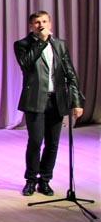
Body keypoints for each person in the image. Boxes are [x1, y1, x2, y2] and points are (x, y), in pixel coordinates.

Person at [14, 11, 84, 197]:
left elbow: (70, 74)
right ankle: (30, 180)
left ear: (50, 24)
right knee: (36, 141)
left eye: (44, 21)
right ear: (31, 26)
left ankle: (45, 181)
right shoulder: (22, 44)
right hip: (35, 100)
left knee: (52, 143)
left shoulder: (59, 45)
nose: (41, 25)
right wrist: (41, 42)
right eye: (37, 22)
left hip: (56, 100)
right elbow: (26, 64)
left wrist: (77, 102)